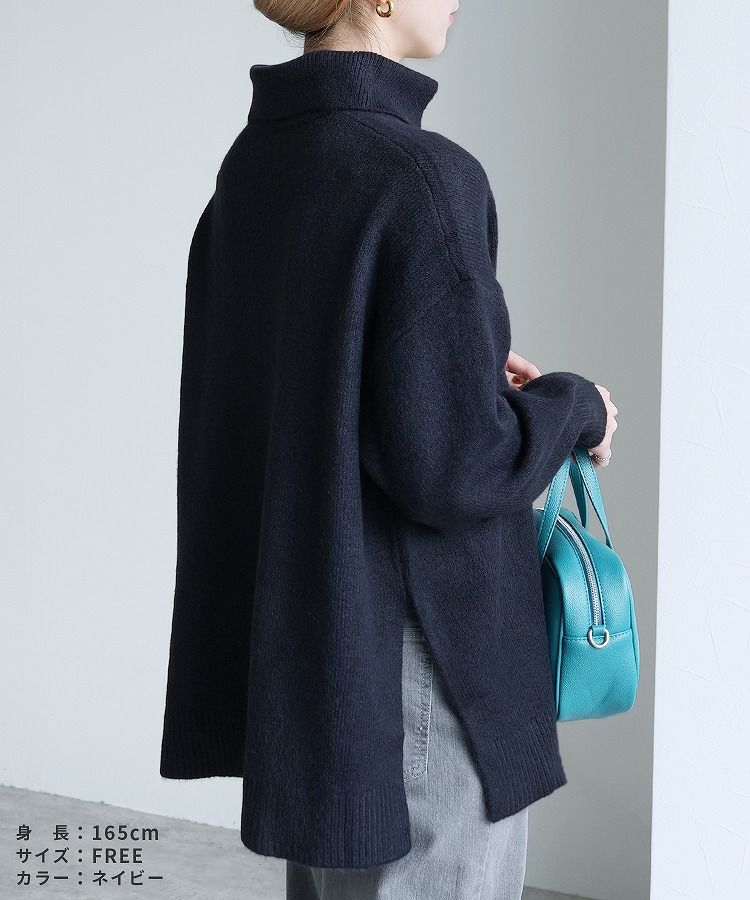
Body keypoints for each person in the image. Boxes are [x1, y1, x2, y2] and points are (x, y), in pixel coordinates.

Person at [159, 1, 618, 897]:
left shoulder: (256, 167)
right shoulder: (424, 177)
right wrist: (575, 408)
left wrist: (462, 375)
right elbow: (455, 468)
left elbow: (302, 394)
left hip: (317, 648)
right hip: (422, 649)